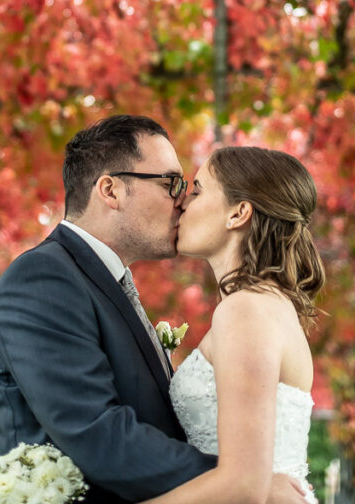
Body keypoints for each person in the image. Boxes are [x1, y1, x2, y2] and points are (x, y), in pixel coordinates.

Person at [0, 115, 305, 504]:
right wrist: (242, 481)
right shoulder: (43, 279)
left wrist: (241, 480)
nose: (181, 200)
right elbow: (97, 431)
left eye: (191, 189)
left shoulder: (113, 285)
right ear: (111, 190)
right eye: (171, 183)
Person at [138, 144, 325, 504]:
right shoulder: (262, 305)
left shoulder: (246, 310)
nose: (181, 203)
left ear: (238, 214)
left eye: (197, 190)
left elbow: (241, 486)